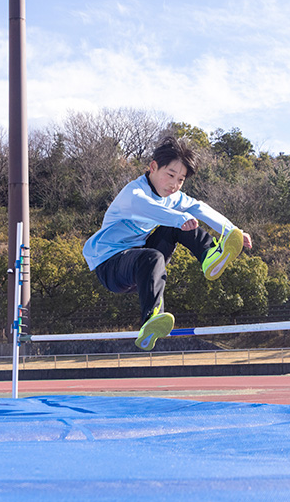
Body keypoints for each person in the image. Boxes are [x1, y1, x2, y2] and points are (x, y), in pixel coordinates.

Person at [83, 136, 252, 350]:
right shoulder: (133, 194)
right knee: (155, 253)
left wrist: (233, 230)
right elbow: (150, 209)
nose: (174, 184)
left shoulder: (174, 197)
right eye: (170, 175)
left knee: (167, 237)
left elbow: (199, 207)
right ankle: (151, 319)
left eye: (180, 180)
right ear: (153, 167)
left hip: (141, 268)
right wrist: (179, 219)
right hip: (110, 266)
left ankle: (209, 256)